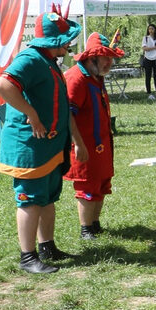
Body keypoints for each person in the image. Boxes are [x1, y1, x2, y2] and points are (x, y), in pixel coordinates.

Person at [0, 9, 87, 274]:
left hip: (48, 146)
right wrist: (31, 114)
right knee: (30, 200)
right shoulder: (31, 59)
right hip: (30, 147)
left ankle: (47, 247)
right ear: (53, 41)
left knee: (46, 198)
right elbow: (3, 84)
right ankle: (28, 257)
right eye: (65, 39)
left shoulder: (48, 62)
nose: (69, 43)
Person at [64, 33, 123, 241]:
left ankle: (95, 224)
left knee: (101, 183)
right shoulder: (76, 78)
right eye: (105, 57)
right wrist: (78, 144)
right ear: (91, 58)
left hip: (100, 144)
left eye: (111, 57)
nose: (110, 62)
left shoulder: (96, 77)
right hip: (84, 144)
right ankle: (85, 229)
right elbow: (68, 113)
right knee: (87, 185)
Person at [141, 22, 156, 99]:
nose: (150, 30)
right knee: (148, 76)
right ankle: (149, 93)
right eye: (149, 29)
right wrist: (154, 48)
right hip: (148, 58)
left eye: (152, 29)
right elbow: (144, 48)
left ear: (155, 30)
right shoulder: (145, 38)